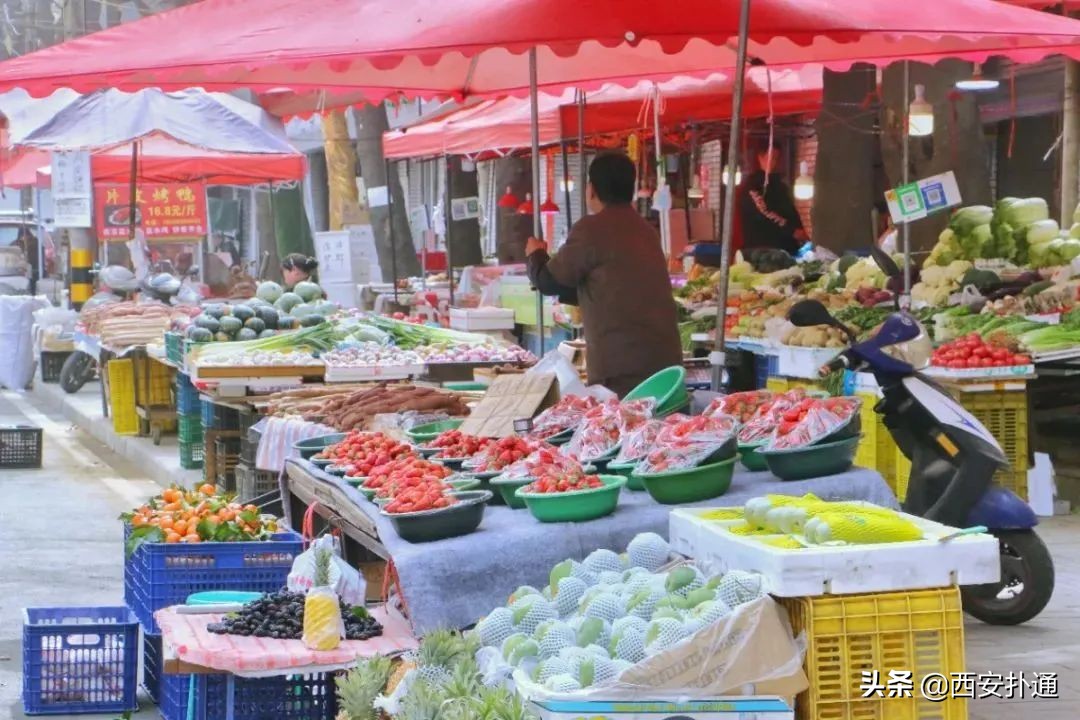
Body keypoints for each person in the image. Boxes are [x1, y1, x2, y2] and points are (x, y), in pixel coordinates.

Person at [526, 152, 683, 397]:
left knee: (624, 431)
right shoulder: (646, 230)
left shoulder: (591, 229)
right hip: (665, 365)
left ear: (591, 190)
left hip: (621, 369)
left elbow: (547, 280)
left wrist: (535, 255)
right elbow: (609, 288)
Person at [737, 144, 807, 256]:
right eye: (771, 157)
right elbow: (764, 211)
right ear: (760, 157)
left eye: (777, 158)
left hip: (787, 249)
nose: (774, 162)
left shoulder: (780, 186)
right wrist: (792, 231)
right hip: (762, 250)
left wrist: (799, 230)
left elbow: (790, 211)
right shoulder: (752, 186)